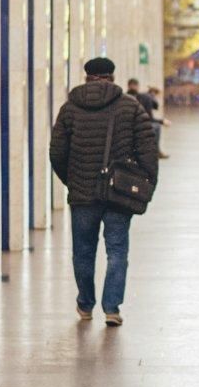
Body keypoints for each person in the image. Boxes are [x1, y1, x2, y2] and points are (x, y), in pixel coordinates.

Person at [50, 55, 156, 325]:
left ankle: (85, 304)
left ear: (86, 77)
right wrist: (146, 185)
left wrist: (73, 180)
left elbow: (57, 153)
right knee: (117, 250)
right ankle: (112, 308)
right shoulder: (130, 108)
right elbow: (147, 151)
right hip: (119, 194)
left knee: (83, 251)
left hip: (82, 193)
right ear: (112, 76)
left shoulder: (70, 109)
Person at [127, 76, 168, 158]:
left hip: (127, 123)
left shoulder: (124, 96)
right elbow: (150, 117)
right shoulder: (144, 98)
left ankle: (156, 151)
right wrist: (162, 121)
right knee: (156, 127)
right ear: (138, 86)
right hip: (137, 124)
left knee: (155, 126)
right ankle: (156, 151)